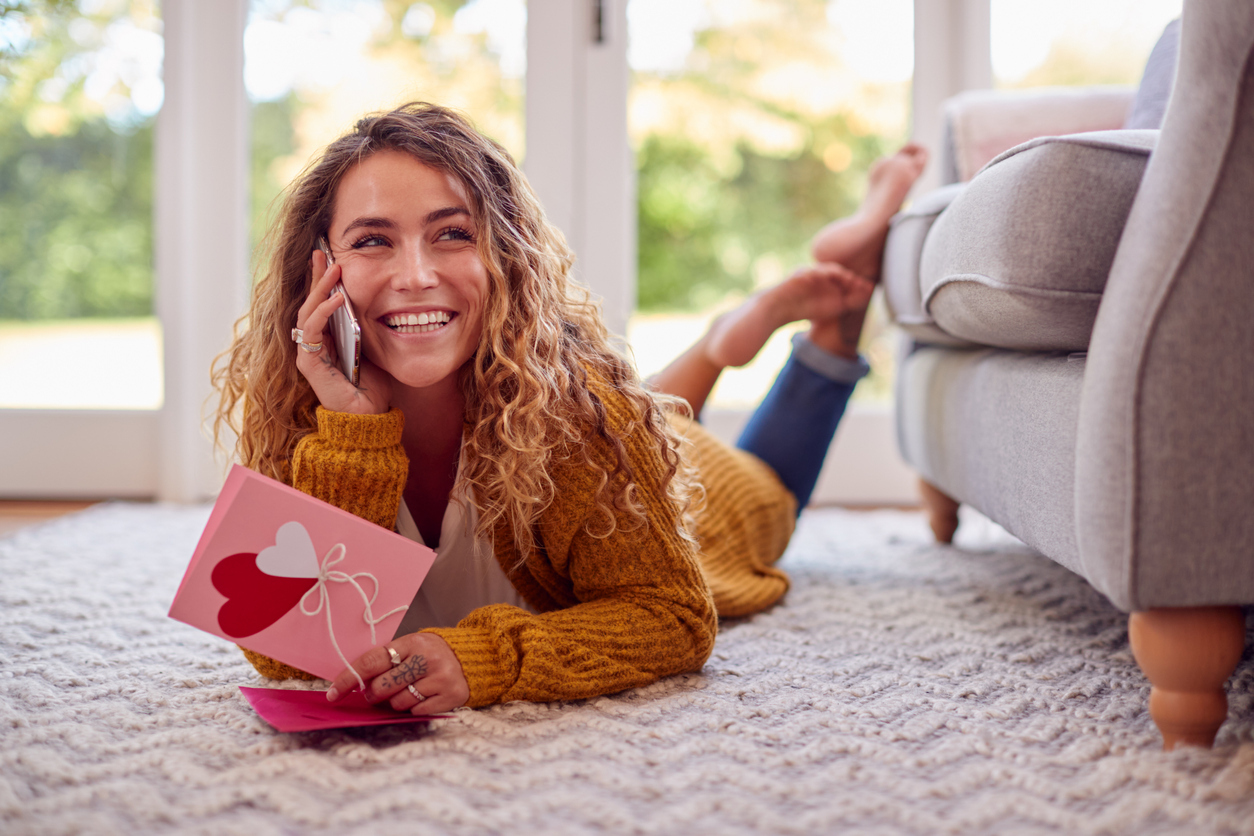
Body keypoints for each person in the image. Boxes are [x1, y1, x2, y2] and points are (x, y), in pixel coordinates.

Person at [213, 102, 926, 716]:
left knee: (771, 486)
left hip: (704, 498)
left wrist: (485, 658)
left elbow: (675, 618)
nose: (416, 275)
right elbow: (286, 659)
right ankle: (723, 341)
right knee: (649, 412)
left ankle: (837, 308)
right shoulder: (301, 409)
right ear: (319, 270)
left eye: (453, 233)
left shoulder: (586, 413)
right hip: (634, 432)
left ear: (508, 260)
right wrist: (353, 434)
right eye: (372, 240)